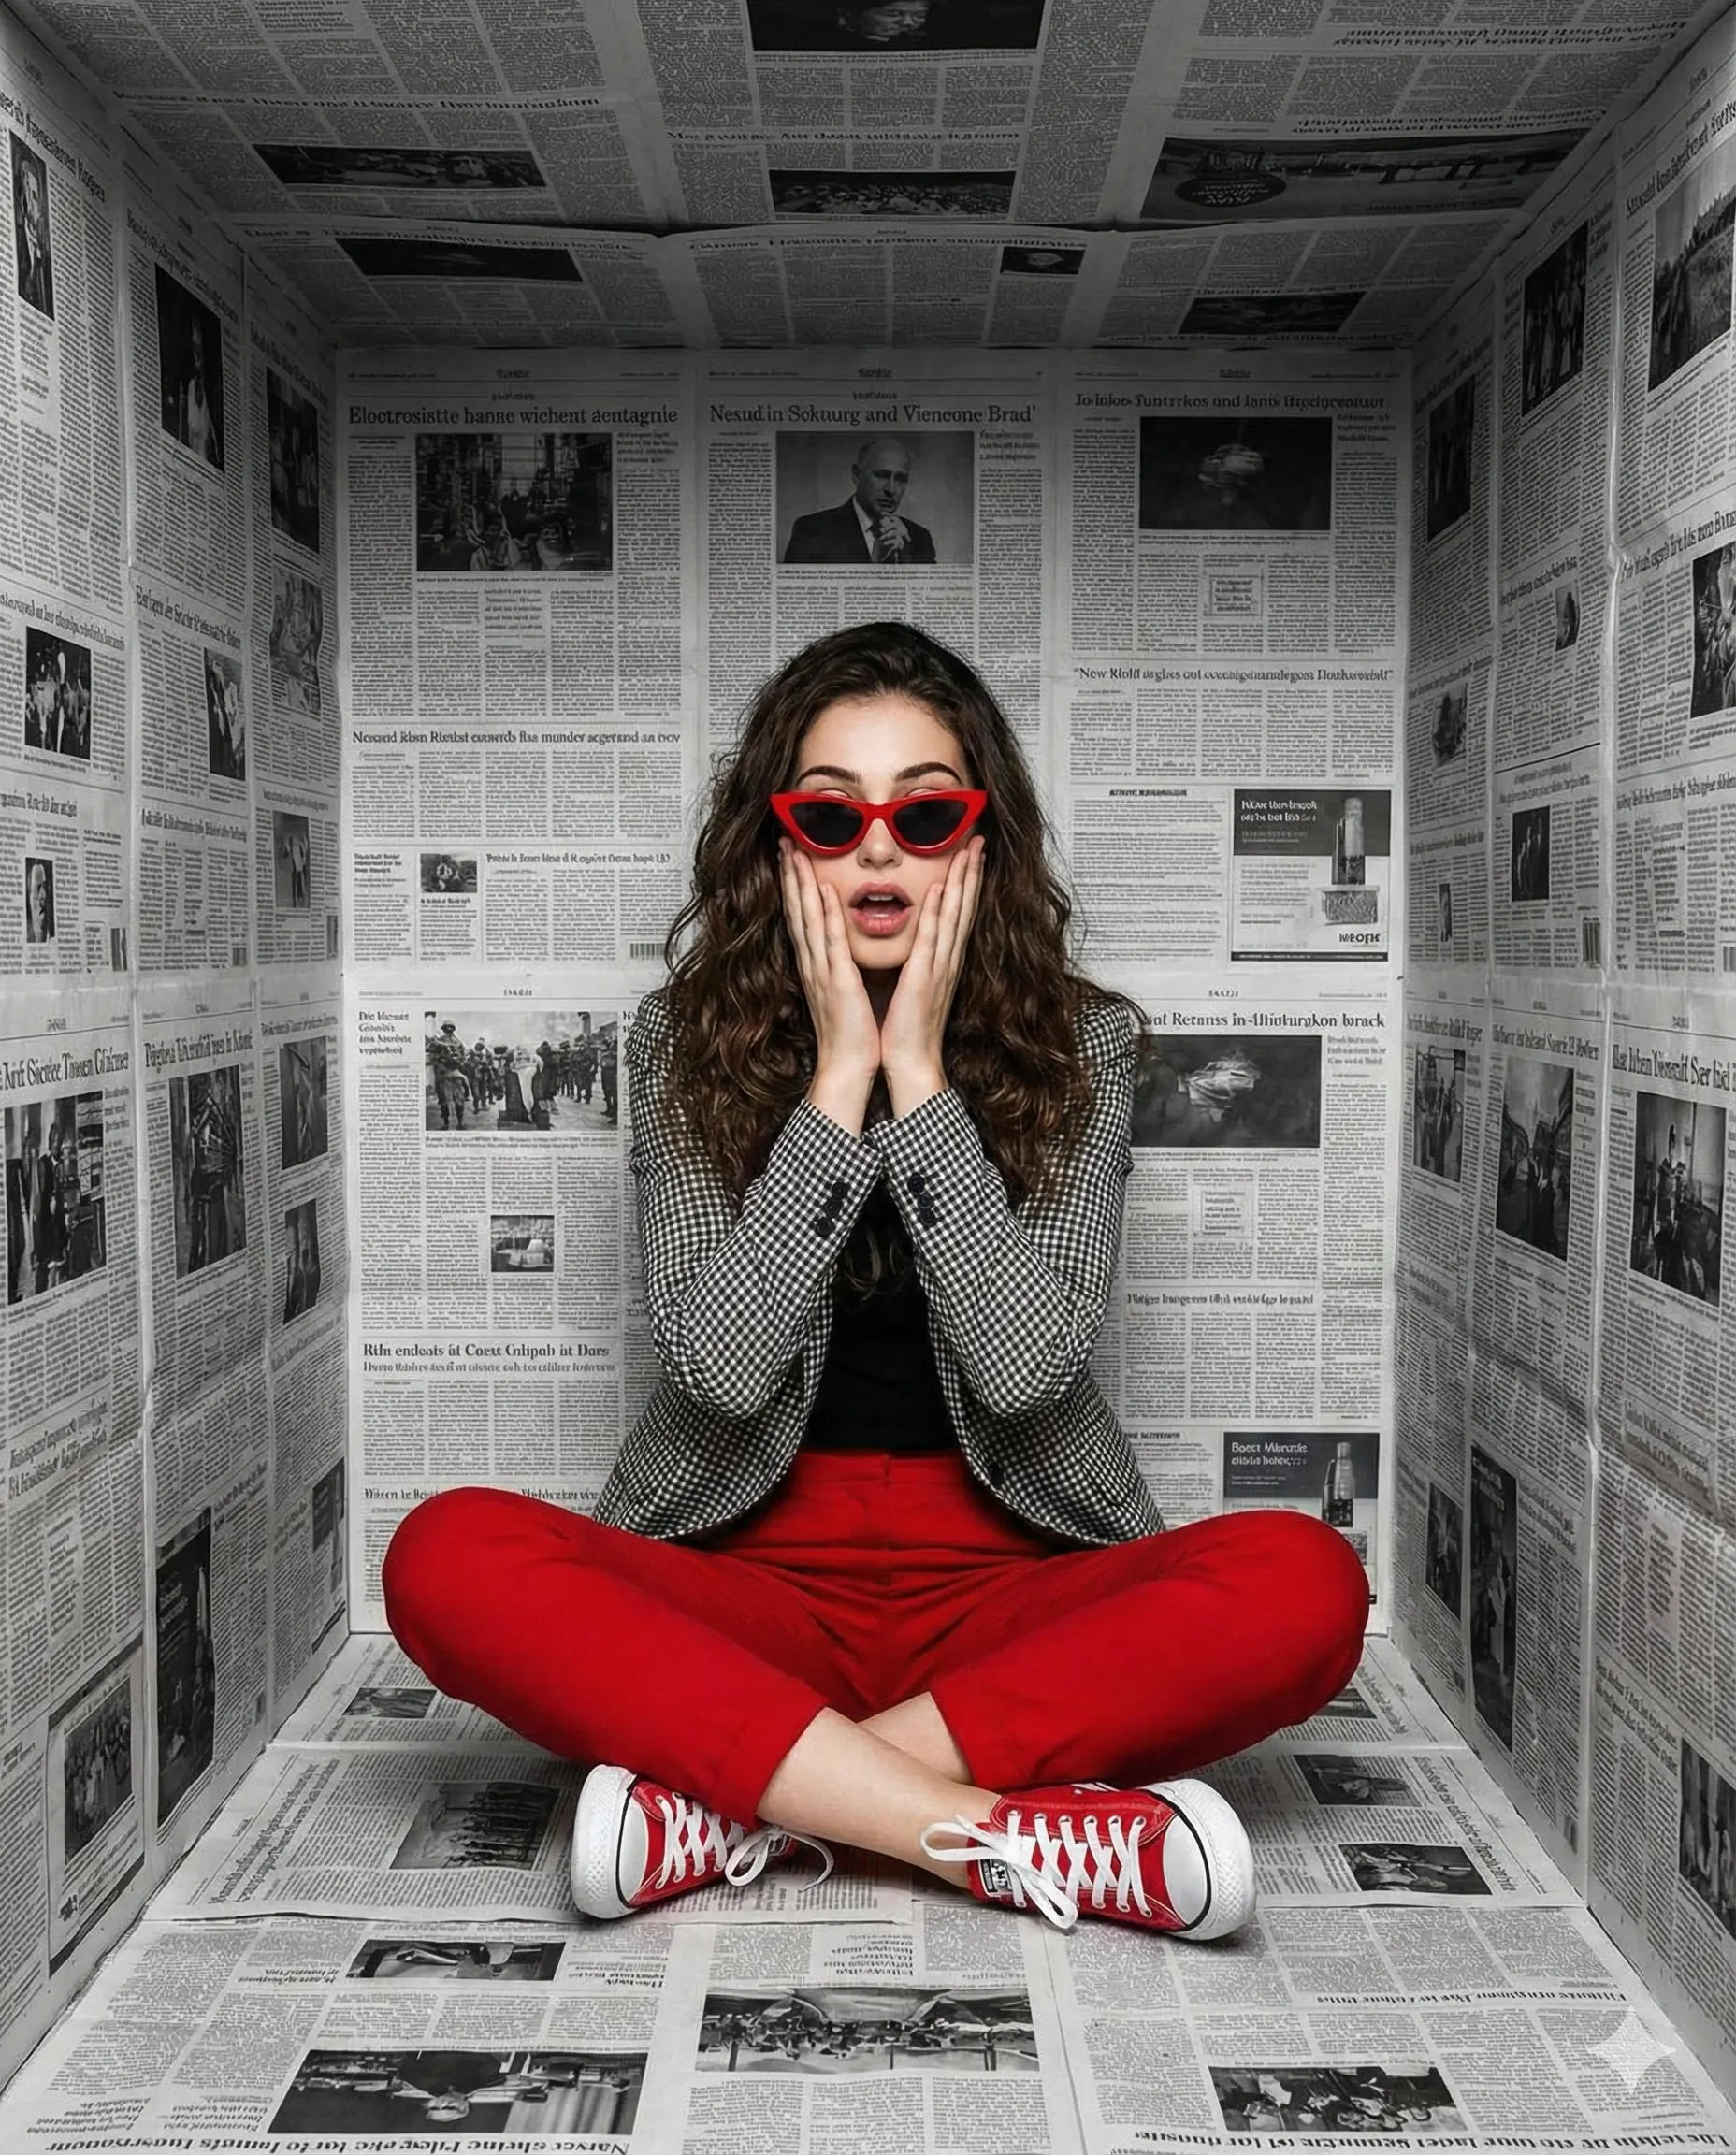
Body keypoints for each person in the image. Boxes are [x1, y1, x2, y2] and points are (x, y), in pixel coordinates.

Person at [383, 623, 1368, 1942]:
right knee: (443, 1556)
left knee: (1308, 1583)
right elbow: (719, 1370)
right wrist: (839, 1078)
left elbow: (1029, 1368)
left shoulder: (1089, 1046)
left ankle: (751, 1807)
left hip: (1010, 1593)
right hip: (750, 1585)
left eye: (926, 810)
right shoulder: (679, 1044)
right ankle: (987, 1835)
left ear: (980, 836)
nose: (882, 850)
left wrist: (922, 1077)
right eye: (834, 816)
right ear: (777, 839)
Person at [784, 438, 937, 565]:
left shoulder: (919, 538)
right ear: (857, 475)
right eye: (881, 475)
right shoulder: (812, 531)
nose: (891, 489)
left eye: (900, 479)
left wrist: (904, 559)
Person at [14, 152, 51, 316]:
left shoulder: (44, 258)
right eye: (26, 192)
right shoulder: (18, 239)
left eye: (34, 196)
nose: (30, 204)